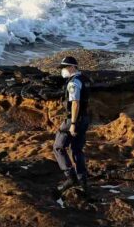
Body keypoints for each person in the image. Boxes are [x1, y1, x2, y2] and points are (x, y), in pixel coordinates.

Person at [53, 56, 91, 192]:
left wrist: (73, 123)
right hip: (84, 118)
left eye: (64, 67)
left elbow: (75, 103)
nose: (62, 70)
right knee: (77, 149)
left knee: (58, 147)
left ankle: (70, 177)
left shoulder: (73, 83)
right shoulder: (85, 79)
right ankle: (83, 181)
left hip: (73, 119)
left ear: (72, 67)